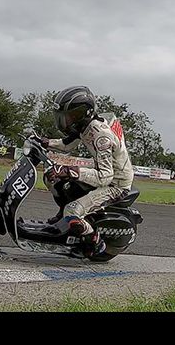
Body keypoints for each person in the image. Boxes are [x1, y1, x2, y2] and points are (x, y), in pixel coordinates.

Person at [37, 86, 134, 257]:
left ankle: (95, 243)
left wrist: (69, 171)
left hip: (115, 183)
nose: (66, 120)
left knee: (71, 211)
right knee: (52, 178)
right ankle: (63, 216)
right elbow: (67, 145)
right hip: (101, 170)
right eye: (64, 116)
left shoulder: (101, 137)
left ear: (84, 113)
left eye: (71, 116)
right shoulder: (85, 126)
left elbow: (105, 177)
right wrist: (45, 142)